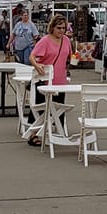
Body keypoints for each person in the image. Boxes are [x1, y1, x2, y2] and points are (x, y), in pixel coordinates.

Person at [29, 14, 73, 147]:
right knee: (43, 108)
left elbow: (69, 56)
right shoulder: (45, 40)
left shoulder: (66, 40)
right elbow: (32, 56)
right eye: (59, 27)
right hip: (45, 80)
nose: (61, 30)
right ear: (52, 27)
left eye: (63, 28)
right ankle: (33, 134)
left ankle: (56, 132)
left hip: (60, 80)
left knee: (58, 107)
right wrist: (37, 66)